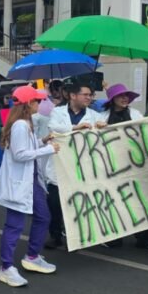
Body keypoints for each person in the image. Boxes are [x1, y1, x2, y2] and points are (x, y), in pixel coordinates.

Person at [0, 86, 60, 287]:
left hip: (31, 181)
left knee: (43, 216)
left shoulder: (25, 123)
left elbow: (25, 148)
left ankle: (32, 256)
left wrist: (41, 141)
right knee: (14, 225)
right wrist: (48, 148)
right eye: (37, 101)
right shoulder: (21, 125)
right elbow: (20, 154)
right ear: (29, 103)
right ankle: (6, 267)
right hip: (20, 183)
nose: (40, 104)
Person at [44, 81, 105, 249]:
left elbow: (103, 136)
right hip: (60, 166)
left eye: (90, 95)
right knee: (55, 205)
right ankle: (55, 235)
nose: (89, 98)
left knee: (81, 204)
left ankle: (79, 238)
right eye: (85, 94)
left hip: (82, 168)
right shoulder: (57, 112)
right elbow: (54, 128)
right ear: (72, 95)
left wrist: (102, 127)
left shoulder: (94, 115)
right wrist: (75, 127)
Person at [98, 83, 148, 249]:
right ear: (112, 100)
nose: (125, 99)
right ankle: (114, 238)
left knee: (140, 200)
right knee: (115, 201)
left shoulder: (135, 113)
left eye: (127, 96)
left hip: (134, 164)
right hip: (112, 167)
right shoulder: (101, 117)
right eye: (120, 96)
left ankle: (146, 238)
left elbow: (144, 131)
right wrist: (97, 128)